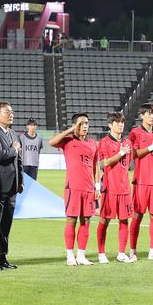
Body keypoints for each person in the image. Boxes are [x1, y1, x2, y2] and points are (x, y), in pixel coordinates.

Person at [49, 112, 100, 266]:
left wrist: (97, 186)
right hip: (73, 189)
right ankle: (70, 255)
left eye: (86, 123)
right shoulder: (68, 141)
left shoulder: (93, 143)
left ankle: (81, 255)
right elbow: (52, 142)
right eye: (81, 123)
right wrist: (69, 131)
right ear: (74, 125)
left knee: (86, 221)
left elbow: (96, 166)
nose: (85, 126)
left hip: (89, 189)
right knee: (71, 220)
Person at [0, 102, 24, 270]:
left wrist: (20, 179)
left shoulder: (14, 133)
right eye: (7, 112)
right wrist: (14, 150)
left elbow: (19, 160)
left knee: (6, 224)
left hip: (12, 187)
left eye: (12, 112)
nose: (11, 114)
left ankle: (2, 257)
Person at [128, 103, 153, 262]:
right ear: (142, 115)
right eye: (149, 113)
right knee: (137, 216)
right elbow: (134, 154)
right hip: (141, 182)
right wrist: (152, 146)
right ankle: (132, 251)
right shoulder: (135, 133)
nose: (152, 116)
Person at [96, 112, 134, 264]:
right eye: (117, 122)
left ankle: (121, 253)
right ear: (110, 125)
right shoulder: (104, 142)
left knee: (124, 221)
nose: (120, 125)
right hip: (110, 189)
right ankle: (101, 253)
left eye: (122, 122)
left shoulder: (128, 143)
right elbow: (104, 163)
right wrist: (120, 152)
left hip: (124, 189)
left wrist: (123, 151)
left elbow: (127, 165)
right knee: (104, 221)